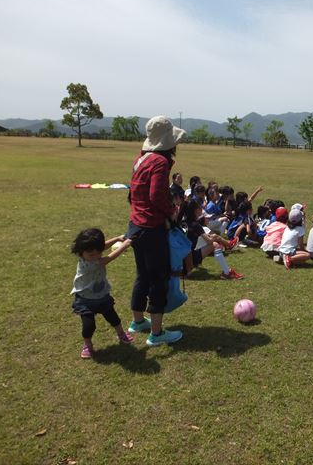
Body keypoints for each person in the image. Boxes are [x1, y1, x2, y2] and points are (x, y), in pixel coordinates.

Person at [126, 115, 185, 345]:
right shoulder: (160, 162)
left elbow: (132, 193)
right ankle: (157, 334)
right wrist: (171, 210)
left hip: (136, 225)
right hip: (152, 229)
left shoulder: (141, 159)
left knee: (142, 275)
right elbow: (156, 195)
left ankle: (138, 321)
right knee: (158, 278)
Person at [70, 228, 134, 359]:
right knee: (89, 325)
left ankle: (121, 333)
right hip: (85, 300)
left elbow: (102, 247)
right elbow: (109, 258)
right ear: (81, 252)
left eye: (97, 252)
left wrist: (117, 238)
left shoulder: (89, 252)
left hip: (102, 297)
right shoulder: (88, 263)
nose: (94, 256)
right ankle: (87, 344)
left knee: (113, 318)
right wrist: (124, 245)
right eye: (91, 254)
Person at [182, 200, 243, 280]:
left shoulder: (183, 222)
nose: (201, 209)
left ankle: (229, 246)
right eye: (200, 207)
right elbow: (209, 241)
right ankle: (227, 272)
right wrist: (214, 237)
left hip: (179, 263)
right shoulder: (196, 225)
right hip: (189, 262)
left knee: (210, 240)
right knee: (214, 245)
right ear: (196, 210)